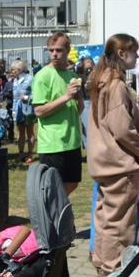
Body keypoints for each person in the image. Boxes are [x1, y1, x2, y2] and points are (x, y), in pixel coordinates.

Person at [86, 34, 139, 276]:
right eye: (134, 53)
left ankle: (103, 264)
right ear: (123, 55)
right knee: (120, 224)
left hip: (104, 163)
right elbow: (123, 129)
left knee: (105, 220)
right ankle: (113, 273)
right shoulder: (116, 86)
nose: (137, 57)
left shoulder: (101, 81)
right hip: (118, 164)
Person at [32, 31, 84, 195]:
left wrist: (79, 97)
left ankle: (58, 215)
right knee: (52, 187)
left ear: (68, 51)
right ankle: (53, 217)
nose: (54, 54)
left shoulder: (71, 75)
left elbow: (79, 109)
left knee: (73, 182)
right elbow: (39, 111)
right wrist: (66, 96)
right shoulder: (42, 76)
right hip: (53, 143)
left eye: (59, 50)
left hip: (72, 141)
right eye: (51, 50)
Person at [10, 60, 35, 160]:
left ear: (19, 69)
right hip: (18, 110)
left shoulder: (30, 79)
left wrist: (27, 98)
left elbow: (37, 94)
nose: (12, 71)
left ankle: (30, 154)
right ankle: (21, 153)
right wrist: (13, 111)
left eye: (13, 69)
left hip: (29, 110)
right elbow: (15, 98)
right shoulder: (15, 81)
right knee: (20, 134)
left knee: (30, 133)